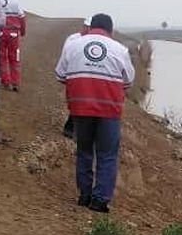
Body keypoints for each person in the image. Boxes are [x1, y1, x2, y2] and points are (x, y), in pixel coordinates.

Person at [55, 13, 135, 212]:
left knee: (84, 151)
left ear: (90, 27)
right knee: (107, 155)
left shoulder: (73, 45)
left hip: (80, 108)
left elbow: (60, 74)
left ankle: (84, 195)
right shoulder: (120, 49)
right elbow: (129, 81)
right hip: (109, 109)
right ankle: (100, 201)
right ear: (110, 30)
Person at [0, 0, 26, 91]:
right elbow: (22, 17)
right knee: (14, 58)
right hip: (13, 33)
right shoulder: (15, 0)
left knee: (1, 58)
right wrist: (22, 31)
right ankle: (15, 82)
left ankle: (5, 81)